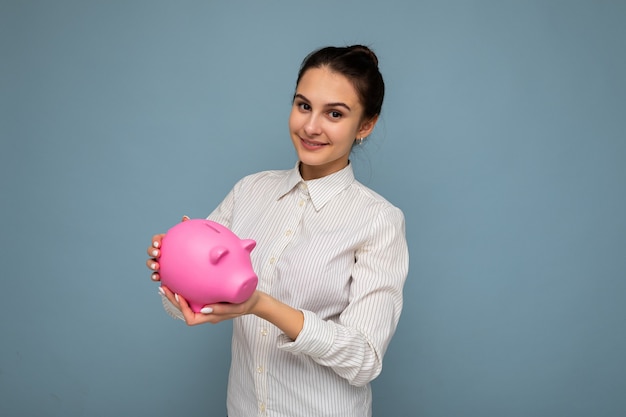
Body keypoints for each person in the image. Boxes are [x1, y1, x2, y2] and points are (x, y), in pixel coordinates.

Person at [146, 45, 409, 417]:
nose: (311, 126)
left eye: (334, 113)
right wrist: (173, 264)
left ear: (366, 125)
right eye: (304, 106)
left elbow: (364, 360)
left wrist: (262, 306)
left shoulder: (378, 220)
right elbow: (186, 305)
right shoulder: (249, 191)